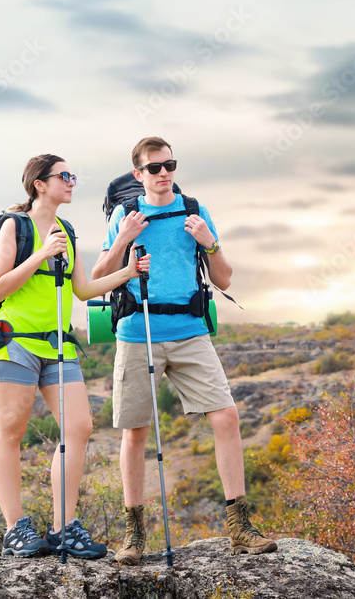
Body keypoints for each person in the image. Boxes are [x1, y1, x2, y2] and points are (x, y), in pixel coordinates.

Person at [91, 136, 277, 564]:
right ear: (138, 174)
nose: (164, 173)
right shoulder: (125, 214)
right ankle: (134, 535)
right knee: (135, 431)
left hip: (191, 330)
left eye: (169, 165)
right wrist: (124, 241)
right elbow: (97, 279)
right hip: (139, 331)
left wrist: (209, 241)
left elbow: (224, 280)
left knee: (227, 416)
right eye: (154, 167)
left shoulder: (194, 210)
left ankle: (240, 527)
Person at [0, 153, 150, 558]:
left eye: (72, 175)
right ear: (40, 184)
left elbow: (83, 290)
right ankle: (15, 528)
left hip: (59, 345)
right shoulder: (15, 226)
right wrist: (41, 253)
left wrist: (127, 273)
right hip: (15, 341)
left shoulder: (67, 230)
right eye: (65, 175)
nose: (72, 181)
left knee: (79, 427)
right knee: (11, 429)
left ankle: (63, 527)